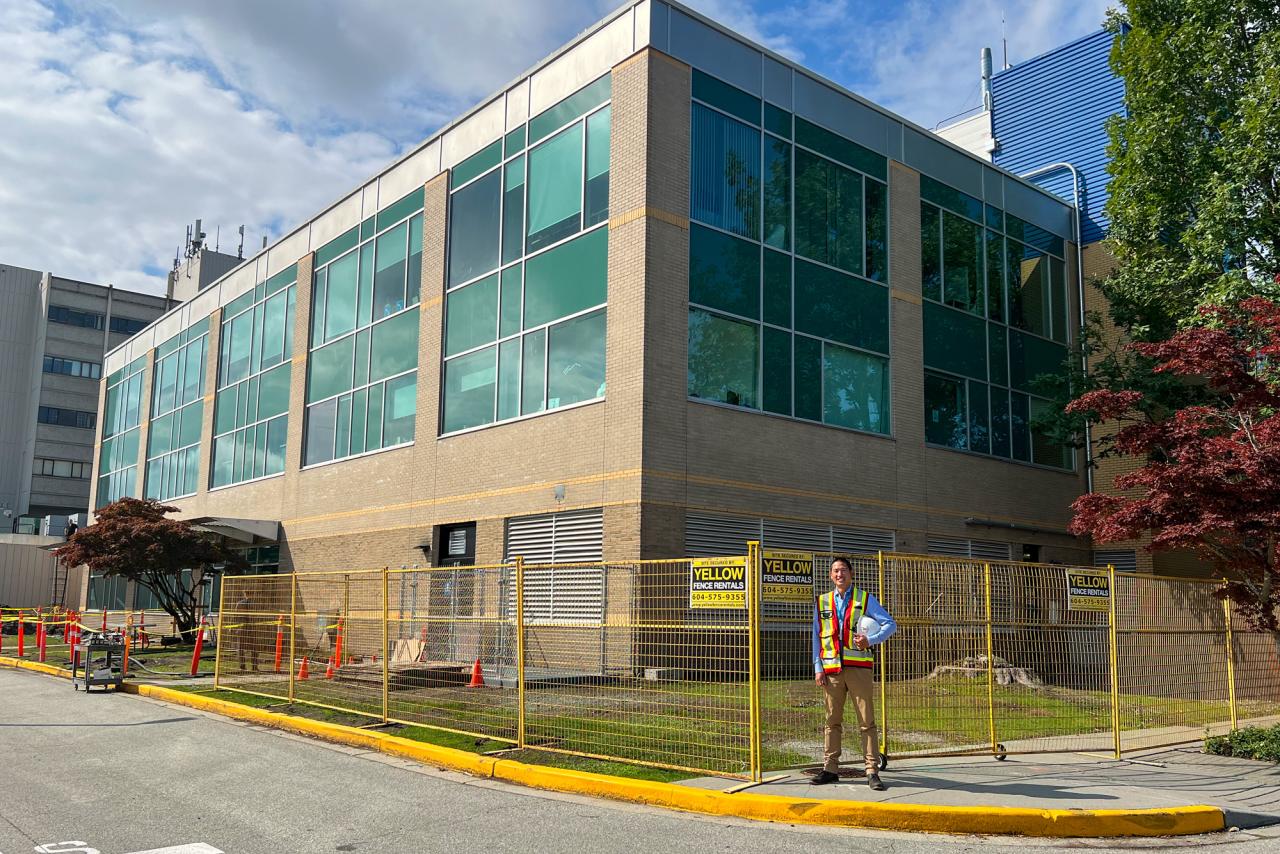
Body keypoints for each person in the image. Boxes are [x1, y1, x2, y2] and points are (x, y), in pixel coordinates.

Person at [810, 556, 896, 790]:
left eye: (843, 570)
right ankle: (830, 769)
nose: (840, 574)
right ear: (831, 575)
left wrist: (871, 639)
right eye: (835, 571)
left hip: (859, 669)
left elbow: (890, 624)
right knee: (831, 720)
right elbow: (817, 637)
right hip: (832, 671)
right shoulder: (822, 602)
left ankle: (871, 771)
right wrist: (818, 667)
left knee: (866, 722)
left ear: (851, 573)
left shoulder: (865, 599)